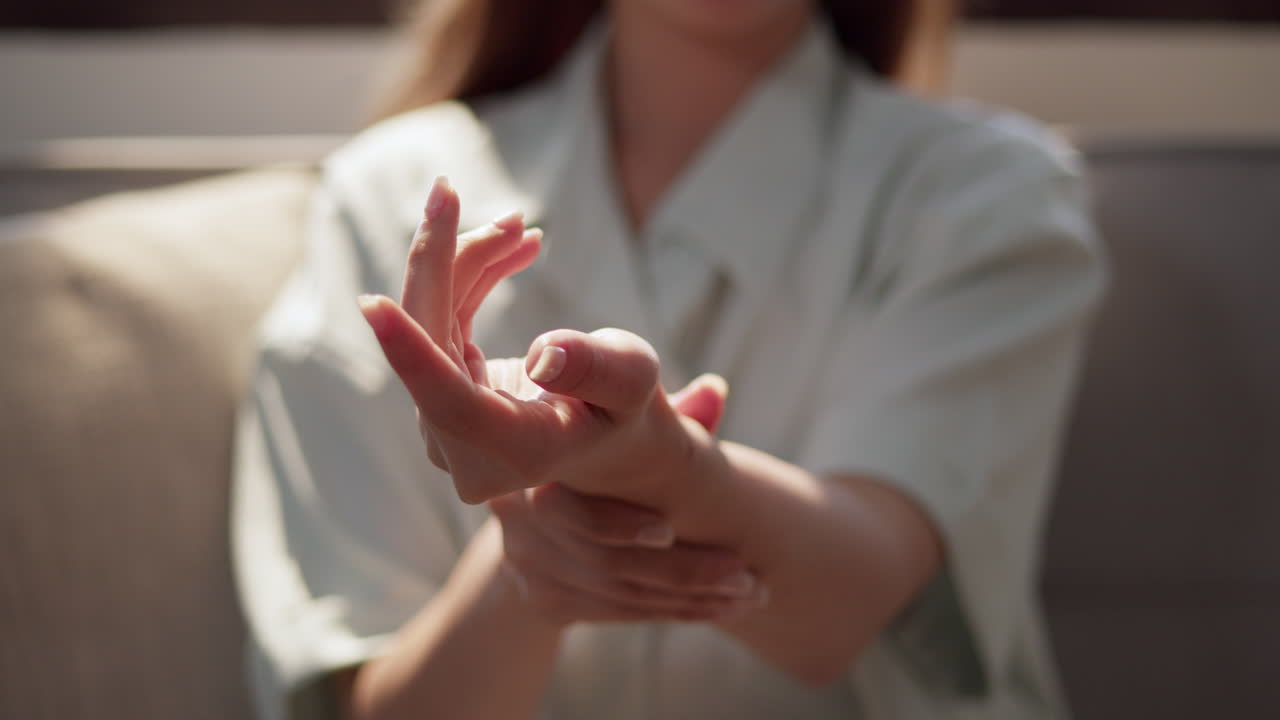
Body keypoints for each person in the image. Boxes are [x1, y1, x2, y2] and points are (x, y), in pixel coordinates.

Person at [231, 0, 1107, 718]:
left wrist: (662, 471)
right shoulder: (387, 199)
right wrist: (529, 564)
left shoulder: (985, 197)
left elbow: (846, 602)